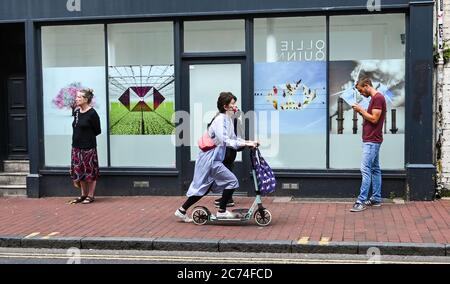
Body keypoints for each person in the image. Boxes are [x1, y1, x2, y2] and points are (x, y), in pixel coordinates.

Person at [174, 92, 259, 222]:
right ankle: (222, 211)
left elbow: (235, 139)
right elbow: (225, 140)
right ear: (225, 106)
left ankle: (182, 210)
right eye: (233, 103)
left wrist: (248, 142)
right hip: (211, 160)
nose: (235, 106)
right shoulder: (220, 120)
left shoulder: (228, 119)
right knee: (232, 181)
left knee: (206, 187)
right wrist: (247, 143)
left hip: (215, 158)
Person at [350, 76, 386, 212]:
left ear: (366, 85)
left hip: (372, 141)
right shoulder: (375, 99)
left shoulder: (377, 98)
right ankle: (376, 198)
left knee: (365, 169)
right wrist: (362, 113)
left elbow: (375, 119)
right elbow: (371, 119)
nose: (360, 93)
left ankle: (360, 201)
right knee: (375, 169)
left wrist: (361, 110)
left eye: (360, 90)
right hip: (372, 140)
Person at [68, 88, 101, 204]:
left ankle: (90, 196)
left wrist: (86, 138)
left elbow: (97, 130)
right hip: (76, 147)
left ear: (86, 99)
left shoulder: (92, 113)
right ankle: (83, 194)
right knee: (79, 171)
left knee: (90, 172)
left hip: (88, 148)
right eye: (76, 97)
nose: (76, 99)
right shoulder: (76, 112)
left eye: (79, 97)